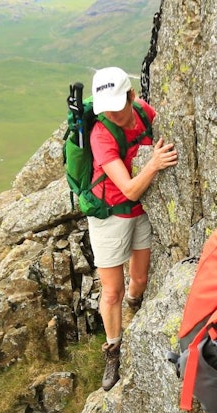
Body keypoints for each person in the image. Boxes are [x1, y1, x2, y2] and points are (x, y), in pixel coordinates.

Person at [86, 66, 178, 390]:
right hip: (111, 215)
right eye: (107, 107)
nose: (113, 112)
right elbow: (128, 189)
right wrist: (154, 163)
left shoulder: (142, 112)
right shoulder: (101, 135)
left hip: (141, 212)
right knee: (112, 290)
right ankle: (113, 348)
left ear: (132, 95)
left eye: (118, 104)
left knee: (138, 280)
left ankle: (135, 312)